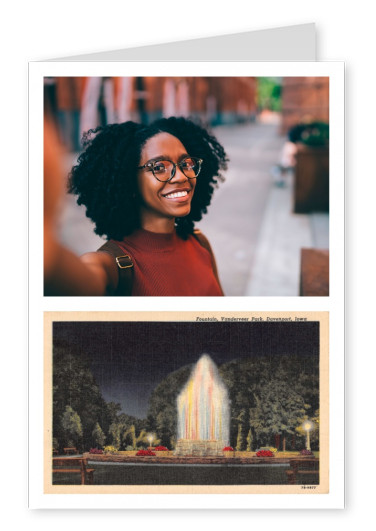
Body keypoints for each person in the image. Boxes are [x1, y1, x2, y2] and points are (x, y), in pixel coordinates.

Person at [48, 116, 227, 296]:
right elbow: (72, 278)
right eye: (159, 168)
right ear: (130, 181)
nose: (181, 176)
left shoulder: (200, 243)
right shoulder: (112, 266)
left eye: (186, 164)